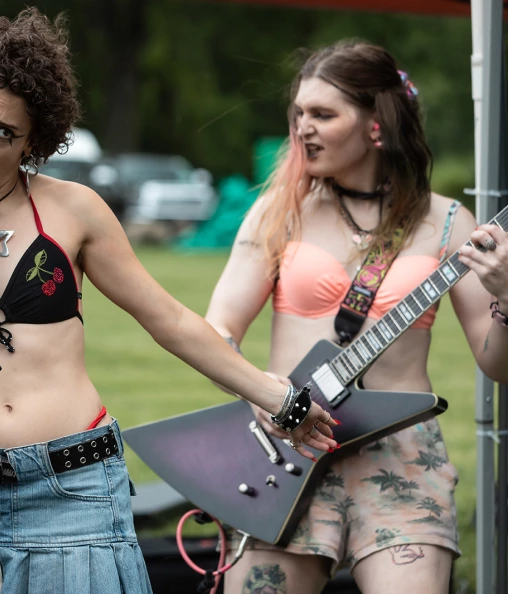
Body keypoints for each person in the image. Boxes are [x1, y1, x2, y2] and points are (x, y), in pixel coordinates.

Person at [0, 8, 337, 594]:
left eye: (4, 133)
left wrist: (278, 397)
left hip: (71, 489)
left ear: (32, 144)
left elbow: (166, 318)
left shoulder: (75, 210)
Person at [204, 40, 508, 594]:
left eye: (322, 114)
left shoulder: (448, 224)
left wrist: (507, 297)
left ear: (376, 124)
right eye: (298, 113)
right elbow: (218, 329)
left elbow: (498, 364)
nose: (302, 129)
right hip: (285, 447)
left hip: (403, 458)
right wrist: (264, 399)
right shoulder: (280, 209)